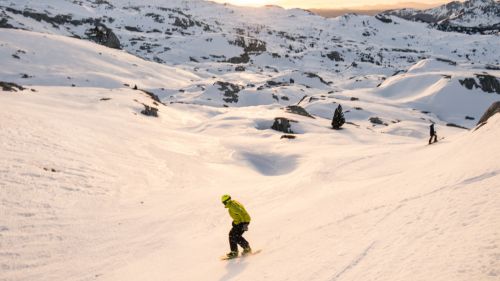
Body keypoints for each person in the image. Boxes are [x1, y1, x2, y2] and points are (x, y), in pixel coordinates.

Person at [221, 194, 252, 258]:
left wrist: (245, 224)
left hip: (243, 222)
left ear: (226, 202)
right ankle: (234, 251)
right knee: (232, 235)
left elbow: (242, 213)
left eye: (223, 203)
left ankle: (247, 248)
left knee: (235, 236)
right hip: (240, 222)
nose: (223, 204)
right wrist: (235, 222)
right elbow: (238, 215)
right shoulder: (232, 203)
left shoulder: (233, 206)